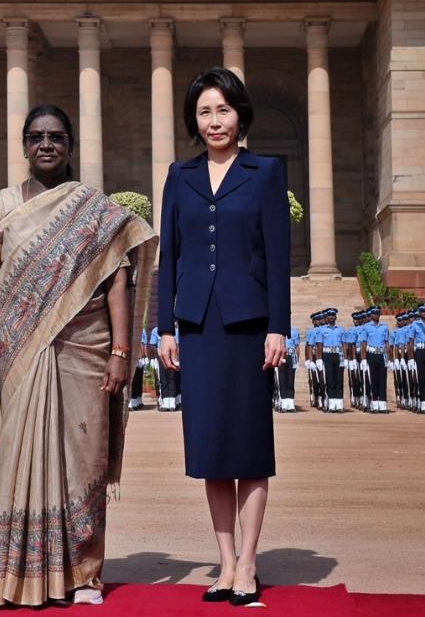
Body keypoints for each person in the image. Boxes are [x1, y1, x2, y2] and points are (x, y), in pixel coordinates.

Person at [0, 103, 154, 607]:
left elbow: (118, 282)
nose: (45, 144)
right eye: (36, 136)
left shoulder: (94, 208)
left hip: (87, 349)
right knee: (13, 462)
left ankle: (84, 574)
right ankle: (19, 575)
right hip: (20, 354)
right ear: (24, 144)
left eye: (55, 136)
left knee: (82, 460)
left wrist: (121, 350)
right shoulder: (2, 207)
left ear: (70, 145)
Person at [157, 67, 290, 606]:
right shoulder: (178, 176)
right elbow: (171, 255)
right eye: (205, 111)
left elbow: (277, 255)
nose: (215, 121)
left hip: (249, 323)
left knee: (249, 447)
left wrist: (279, 325)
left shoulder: (265, 172)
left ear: (241, 114)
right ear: (195, 118)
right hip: (197, 326)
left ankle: (251, 563)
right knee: (211, 448)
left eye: (224, 110)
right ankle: (226, 561)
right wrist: (165, 326)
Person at [276, 324, 301, 412]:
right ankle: (283, 403)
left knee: (291, 380)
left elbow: (297, 347)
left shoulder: (294, 331)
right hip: (281, 356)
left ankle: (290, 403)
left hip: (291, 355)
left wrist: (296, 361)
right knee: (282, 380)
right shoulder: (278, 331)